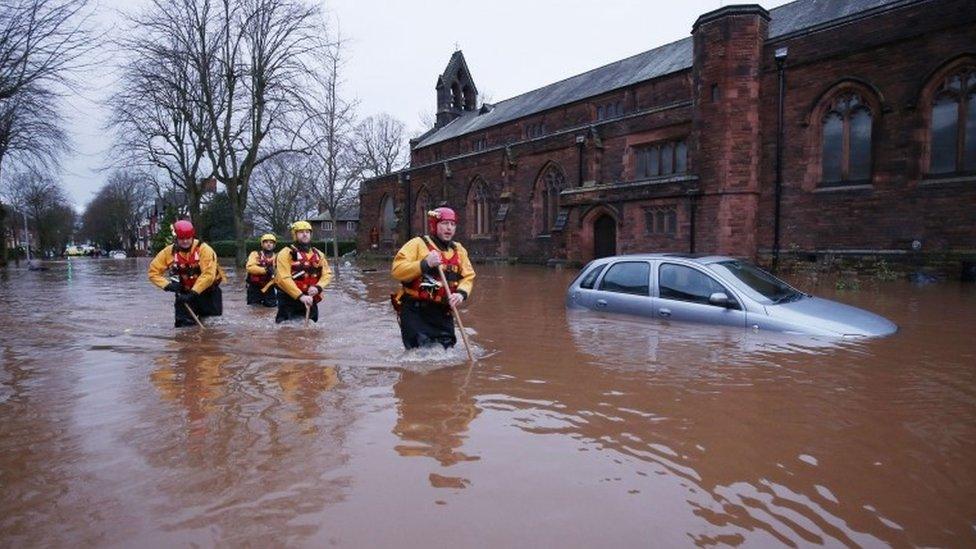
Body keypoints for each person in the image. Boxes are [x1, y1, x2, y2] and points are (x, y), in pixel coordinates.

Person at [391, 207, 475, 349]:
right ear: (434, 225)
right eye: (444, 223)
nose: (449, 228)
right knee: (421, 353)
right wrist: (425, 264)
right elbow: (397, 270)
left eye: (452, 224)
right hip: (416, 311)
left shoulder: (459, 250)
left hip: (442, 311)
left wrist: (461, 294)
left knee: (446, 350)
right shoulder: (417, 244)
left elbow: (468, 276)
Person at [148, 219, 226, 327]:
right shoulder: (168, 253)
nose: (185, 241)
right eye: (181, 239)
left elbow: (208, 275)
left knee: (213, 328)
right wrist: (167, 285)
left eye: (188, 238)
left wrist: (193, 293)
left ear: (192, 237)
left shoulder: (205, 250)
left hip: (208, 294)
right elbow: (153, 272)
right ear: (176, 238)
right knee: (183, 330)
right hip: (183, 295)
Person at [274, 221, 332, 323]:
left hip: (310, 297)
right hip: (289, 298)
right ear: (294, 234)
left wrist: (318, 287)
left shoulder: (318, 254)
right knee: (285, 329)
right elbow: (283, 278)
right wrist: (300, 296)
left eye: (307, 232)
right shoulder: (285, 253)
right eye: (301, 232)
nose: (305, 234)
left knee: (312, 330)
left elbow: (327, 274)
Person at [245, 233, 278, 307]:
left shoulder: (277, 257)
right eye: (266, 242)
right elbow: (250, 268)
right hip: (254, 287)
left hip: (269, 287)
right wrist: (265, 270)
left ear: (274, 245)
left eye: (271, 242)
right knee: (254, 307)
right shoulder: (255, 254)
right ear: (262, 244)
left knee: (271, 307)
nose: (269, 244)